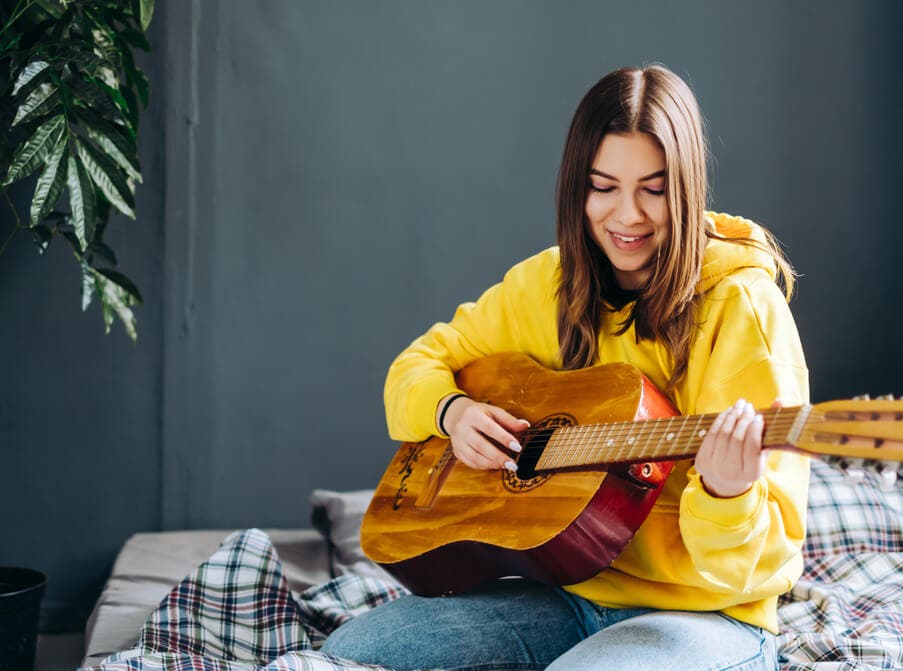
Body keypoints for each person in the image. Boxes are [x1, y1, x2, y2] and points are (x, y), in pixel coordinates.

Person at [321, 64, 809, 671]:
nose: (627, 215)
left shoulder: (741, 307)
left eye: (653, 189)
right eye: (603, 186)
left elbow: (761, 562)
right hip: (563, 591)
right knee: (355, 653)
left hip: (706, 616)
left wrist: (727, 492)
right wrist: (454, 412)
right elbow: (416, 365)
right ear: (575, 187)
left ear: (685, 187)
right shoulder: (546, 284)